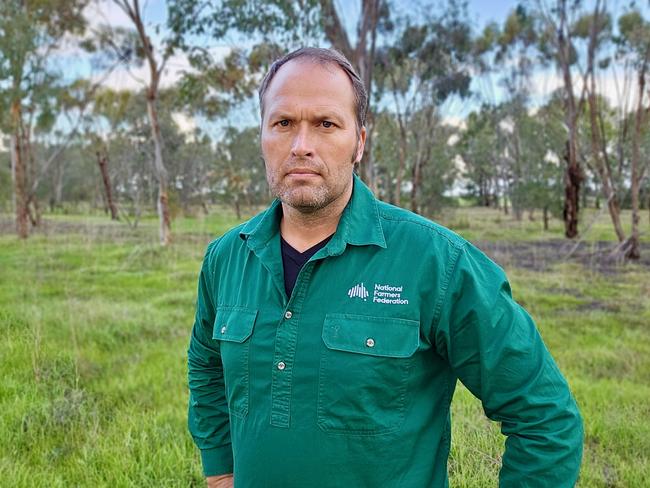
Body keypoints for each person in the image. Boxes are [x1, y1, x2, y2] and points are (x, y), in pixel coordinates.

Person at [187, 47, 583, 488]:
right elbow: (206, 366)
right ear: (262, 135)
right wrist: (220, 469)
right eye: (283, 123)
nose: (301, 146)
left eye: (325, 124)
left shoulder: (437, 261)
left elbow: (545, 416)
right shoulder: (226, 258)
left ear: (359, 142)